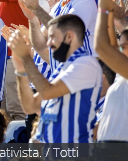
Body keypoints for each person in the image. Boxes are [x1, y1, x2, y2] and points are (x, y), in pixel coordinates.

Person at [8, 14, 102, 143]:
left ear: (69, 36)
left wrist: (26, 58)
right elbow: (30, 106)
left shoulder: (85, 63)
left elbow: (47, 92)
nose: (48, 43)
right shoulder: (61, 68)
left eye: (52, 37)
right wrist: (21, 70)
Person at [19, 0, 98, 72]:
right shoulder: (59, 5)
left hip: (82, 73)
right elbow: (40, 45)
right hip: (62, 76)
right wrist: (33, 19)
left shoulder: (86, 0)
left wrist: (36, 8)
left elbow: (66, 33)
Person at [93, 0, 128, 142]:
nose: (121, 49)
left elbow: (102, 47)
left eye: (125, 46)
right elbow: (111, 45)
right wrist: (112, 15)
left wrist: (103, 9)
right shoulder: (123, 75)